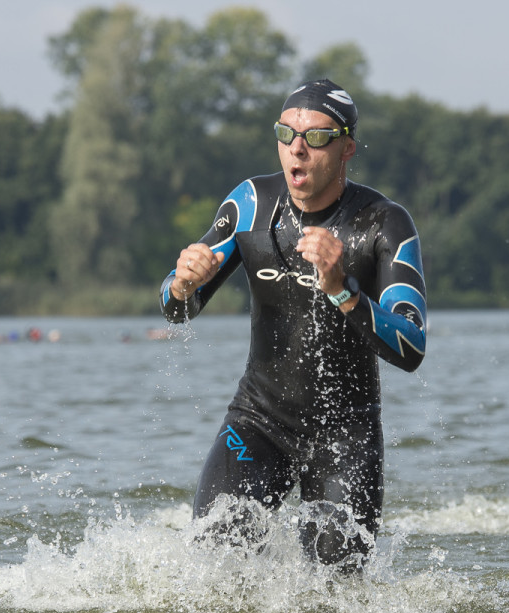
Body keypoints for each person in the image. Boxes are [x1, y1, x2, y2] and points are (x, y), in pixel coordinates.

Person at [159, 79, 427, 571]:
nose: (298, 149)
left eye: (317, 138)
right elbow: (177, 309)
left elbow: (411, 346)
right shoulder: (250, 204)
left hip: (346, 435)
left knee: (333, 599)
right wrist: (181, 284)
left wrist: (342, 286)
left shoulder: (382, 224)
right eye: (286, 134)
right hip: (257, 421)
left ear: (347, 148)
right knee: (214, 565)